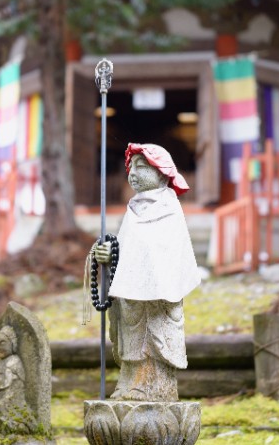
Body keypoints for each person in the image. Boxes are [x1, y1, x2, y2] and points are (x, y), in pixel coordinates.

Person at [93, 143, 201, 401]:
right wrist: (109, 255)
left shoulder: (169, 208)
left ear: (162, 173)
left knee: (152, 335)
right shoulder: (132, 210)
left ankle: (150, 383)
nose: (133, 172)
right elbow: (125, 249)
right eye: (131, 167)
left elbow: (169, 251)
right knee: (131, 332)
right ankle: (128, 380)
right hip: (130, 295)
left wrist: (153, 275)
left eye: (142, 167)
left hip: (158, 297)